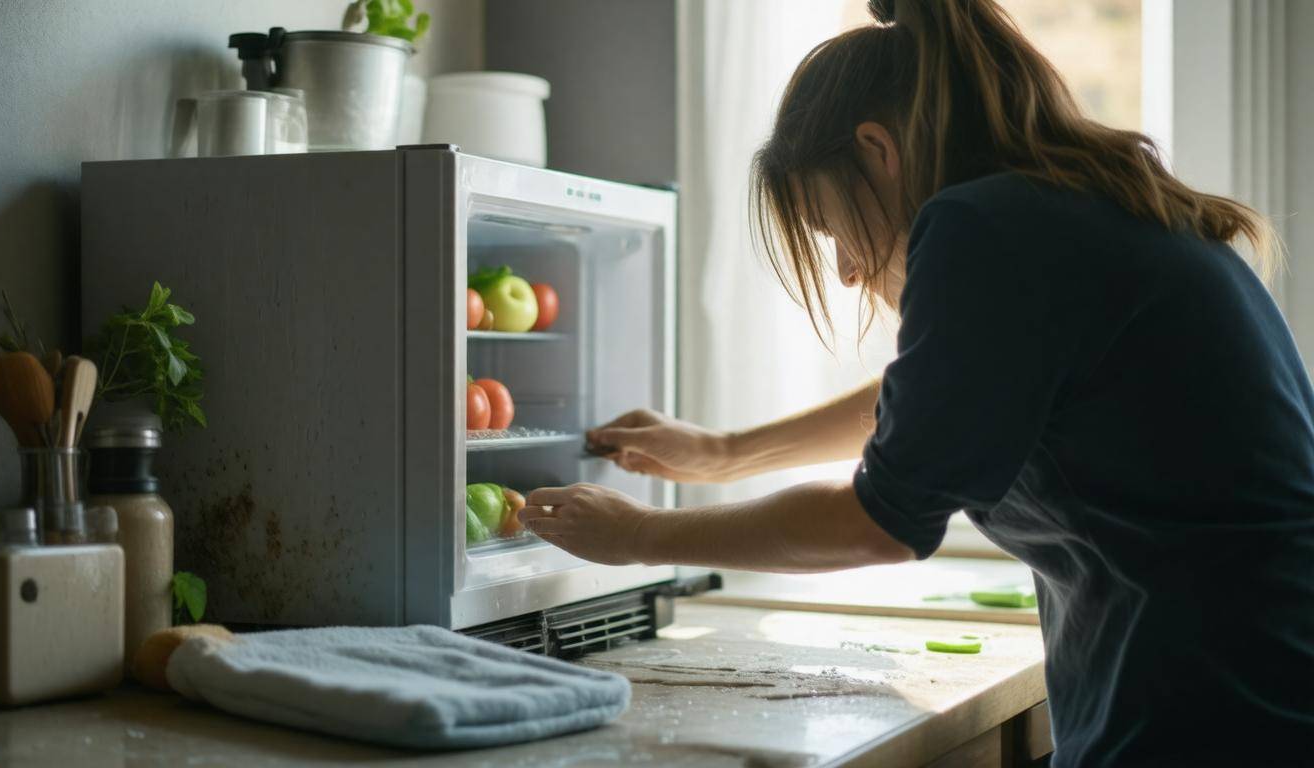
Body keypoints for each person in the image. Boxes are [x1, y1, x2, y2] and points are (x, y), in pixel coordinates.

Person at [518, 0, 1314, 764]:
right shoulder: (1070, 207)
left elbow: (880, 523)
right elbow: (943, 394)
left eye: (830, 226)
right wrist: (723, 452)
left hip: (1218, 712)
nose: (845, 266)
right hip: (1251, 684)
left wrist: (637, 538)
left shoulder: (984, 225)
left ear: (877, 149)